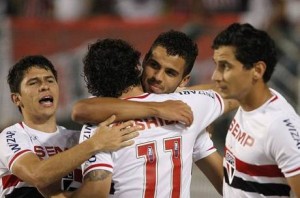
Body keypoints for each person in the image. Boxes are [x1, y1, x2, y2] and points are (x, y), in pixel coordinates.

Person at [71, 30, 238, 195]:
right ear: (143, 62)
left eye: (170, 73)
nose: (158, 77)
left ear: (184, 80)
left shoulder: (103, 122)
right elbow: (239, 90)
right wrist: (161, 107)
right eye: (154, 65)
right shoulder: (190, 107)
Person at [0, 55, 141, 197]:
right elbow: (36, 174)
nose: (44, 86)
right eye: (33, 83)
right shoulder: (11, 136)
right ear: (16, 98)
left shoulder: (78, 139)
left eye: (50, 80)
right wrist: (95, 143)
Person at [211, 23, 300, 197]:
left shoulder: (279, 127)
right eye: (216, 65)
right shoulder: (246, 103)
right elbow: (236, 183)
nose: (215, 76)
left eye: (225, 66)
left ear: (257, 70)